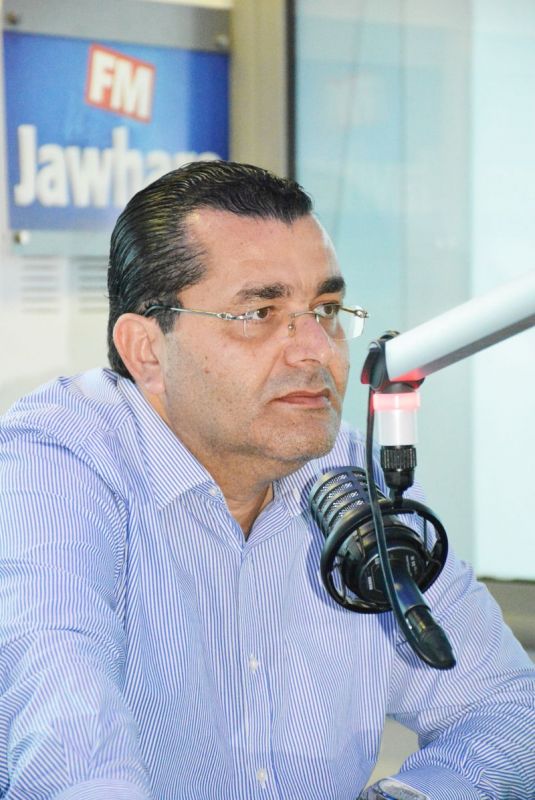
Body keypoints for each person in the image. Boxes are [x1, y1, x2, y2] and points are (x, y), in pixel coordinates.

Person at [0, 161, 533, 800]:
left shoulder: (341, 471)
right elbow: (69, 750)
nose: (319, 351)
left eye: (325, 310)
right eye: (259, 313)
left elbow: (505, 708)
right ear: (147, 350)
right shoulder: (54, 466)